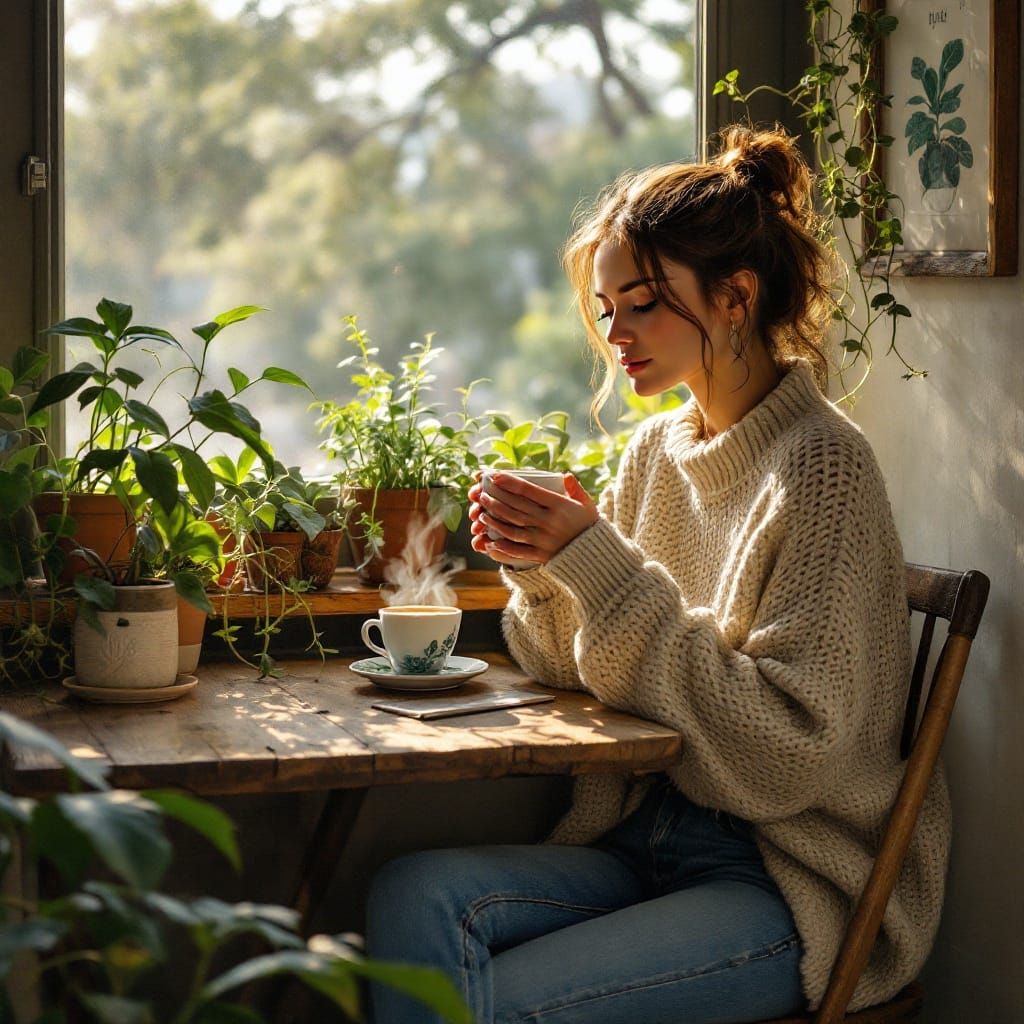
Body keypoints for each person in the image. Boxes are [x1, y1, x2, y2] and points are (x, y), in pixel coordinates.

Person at [364, 125, 950, 1024]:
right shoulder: (653, 455)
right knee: (410, 894)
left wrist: (603, 570)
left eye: (641, 303)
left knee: (494, 1008)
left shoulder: (824, 467)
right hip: (644, 834)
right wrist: (549, 571)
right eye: (606, 310)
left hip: (784, 874)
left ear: (734, 297)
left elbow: (785, 755)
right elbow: (566, 665)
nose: (617, 334)